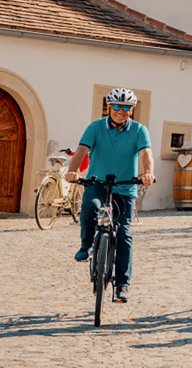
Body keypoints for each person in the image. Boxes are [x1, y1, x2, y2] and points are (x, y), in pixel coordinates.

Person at [67, 88, 155, 304]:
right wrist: (73, 171)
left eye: (126, 108)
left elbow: (147, 154)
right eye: (116, 106)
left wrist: (149, 173)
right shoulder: (96, 127)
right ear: (109, 107)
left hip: (125, 188)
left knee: (124, 234)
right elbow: (81, 151)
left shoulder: (139, 130)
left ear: (132, 110)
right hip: (97, 183)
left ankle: (122, 284)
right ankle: (86, 245)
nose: (121, 111)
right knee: (90, 206)